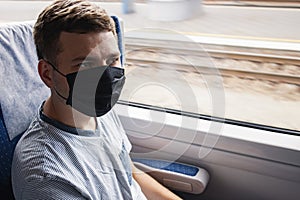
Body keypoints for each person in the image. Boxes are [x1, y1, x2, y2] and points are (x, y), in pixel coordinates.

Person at [11, 0, 182, 199]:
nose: (104, 78)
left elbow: (130, 174)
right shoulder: (47, 177)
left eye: (112, 61)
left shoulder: (97, 112)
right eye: (85, 65)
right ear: (48, 74)